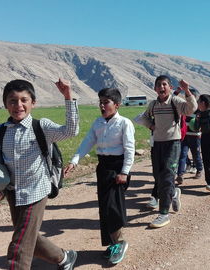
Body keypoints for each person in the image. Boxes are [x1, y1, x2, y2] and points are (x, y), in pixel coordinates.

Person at [0, 79, 79, 270]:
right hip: (13, 192)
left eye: (24, 100)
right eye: (12, 101)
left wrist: (68, 96)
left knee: (19, 246)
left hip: (36, 191)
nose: (18, 105)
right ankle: (63, 257)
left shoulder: (41, 126)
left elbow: (71, 131)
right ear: (5, 105)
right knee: (27, 235)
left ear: (33, 102)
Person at [64, 88, 134, 265]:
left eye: (106, 102)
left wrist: (124, 172)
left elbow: (129, 149)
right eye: (100, 102)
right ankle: (111, 243)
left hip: (118, 168)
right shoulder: (98, 123)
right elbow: (87, 142)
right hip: (103, 167)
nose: (102, 105)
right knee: (104, 207)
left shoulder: (125, 123)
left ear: (116, 105)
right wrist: (74, 161)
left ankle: (120, 242)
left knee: (113, 206)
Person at [138, 75, 197, 228]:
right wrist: (151, 126)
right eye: (158, 85)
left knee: (166, 176)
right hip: (157, 144)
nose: (161, 87)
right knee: (158, 175)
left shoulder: (175, 101)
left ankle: (164, 213)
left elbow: (191, 109)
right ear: (155, 88)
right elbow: (144, 117)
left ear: (170, 88)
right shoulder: (153, 105)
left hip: (173, 143)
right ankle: (174, 192)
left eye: (164, 84)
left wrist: (187, 91)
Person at [176, 88, 203, 184]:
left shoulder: (199, 110)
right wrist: (177, 92)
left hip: (195, 136)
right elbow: (172, 100)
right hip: (184, 136)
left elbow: (202, 123)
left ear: (194, 97)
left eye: (190, 96)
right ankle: (180, 175)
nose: (188, 97)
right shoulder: (183, 108)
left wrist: (200, 129)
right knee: (182, 155)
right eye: (186, 96)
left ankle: (199, 169)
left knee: (196, 154)